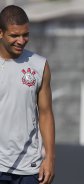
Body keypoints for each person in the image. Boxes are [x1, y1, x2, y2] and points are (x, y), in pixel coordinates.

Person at [0, 5, 55, 184]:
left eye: (25, 35)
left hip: (29, 166)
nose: (21, 41)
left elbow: (46, 114)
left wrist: (50, 159)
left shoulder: (40, 65)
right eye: (14, 35)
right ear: (1, 33)